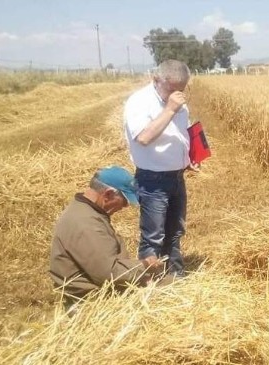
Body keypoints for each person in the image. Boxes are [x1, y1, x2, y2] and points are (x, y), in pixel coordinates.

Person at [49, 165, 162, 310]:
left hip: (103, 290)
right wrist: (145, 266)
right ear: (108, 194)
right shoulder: (85, 224)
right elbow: (109, 274)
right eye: (124, 201)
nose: (125, 207)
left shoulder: (87, 211)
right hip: (91, 301)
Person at [123, 60, 197, 278]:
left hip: (176, 176)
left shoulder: (179, 104)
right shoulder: (139, 102)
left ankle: (174, 274)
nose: (177, 95)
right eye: (172, 89)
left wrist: (189, 157)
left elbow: (181, 134)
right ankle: (149, 280)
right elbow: (144, 137)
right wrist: (170, 109)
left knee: (175, 230)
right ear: (156, 80)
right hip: (152, 179)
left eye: (181, 90)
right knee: (153, 235)